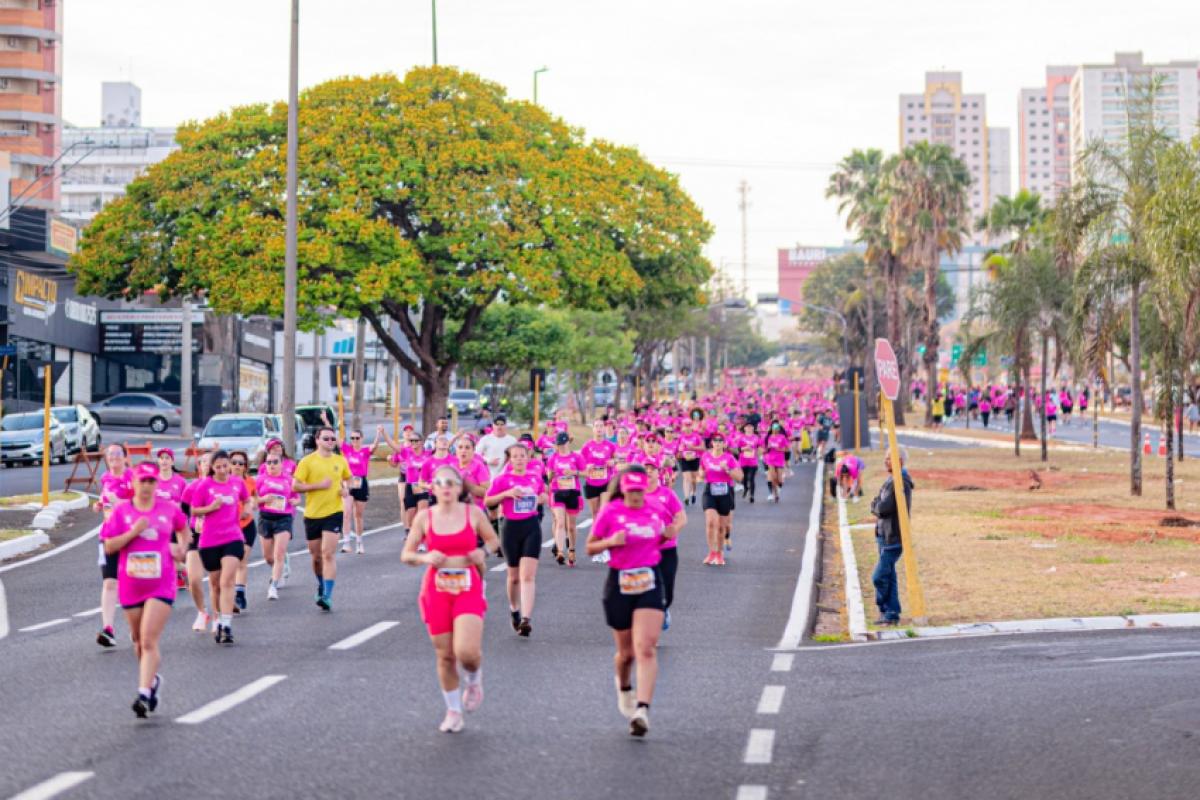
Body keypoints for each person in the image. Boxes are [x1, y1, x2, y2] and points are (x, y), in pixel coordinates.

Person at [401, 465, 500, 733]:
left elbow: (493, 541)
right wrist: (424, 557)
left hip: (467, 586)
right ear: (432, 488)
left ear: (459, 487)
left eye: (451, 482)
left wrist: (483, 553)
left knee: (466, 652)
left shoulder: (473, 513)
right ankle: (453, 711)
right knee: (445, 655)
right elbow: (407, 554)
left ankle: (474, 677)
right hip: (436, 590)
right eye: (440, 482)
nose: (446, 486)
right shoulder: (425, 517)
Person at [585, 466, 670, 737]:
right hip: (620, 582)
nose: (635, 495)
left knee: (645, 648)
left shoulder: (655, 508)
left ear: (645, 488)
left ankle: (642, 710)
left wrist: (670, 533)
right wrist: (611, 541)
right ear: (622, 489)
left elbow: (669, 532)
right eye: (630, 490)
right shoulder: (611, 512)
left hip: (650, 581)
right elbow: (590, 546)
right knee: (626, 655)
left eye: (638, 490)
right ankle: (624, 688)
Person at [100, 462, 189, 717]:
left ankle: (143, 694)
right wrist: (133, 532)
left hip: (162, 582)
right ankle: (152, 681)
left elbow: (184, 528)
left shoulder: (168, 509)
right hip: (131, 584)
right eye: (143, 481)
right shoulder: (122, 512)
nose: (148, 486)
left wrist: (181, 548)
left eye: (152, 481)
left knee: (149, 639)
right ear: (134, 483)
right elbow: (109, 546)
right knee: (139, 641)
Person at [190, 450, 252, 644]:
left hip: (233, 537)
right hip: (209, 541)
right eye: (219, 467)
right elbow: (193, 509)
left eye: (226, 466)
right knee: (215, 584)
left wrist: (248, 509)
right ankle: (216, 617)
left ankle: (226, 625)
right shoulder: (204, 486)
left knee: (227, 581)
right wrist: (211, 508)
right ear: (212, 468)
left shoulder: (237, 482)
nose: (223, 470)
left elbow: (247, 499)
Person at [486, 444, 547, 637]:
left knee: (528, 576)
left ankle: (526, 620)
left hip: (531, 527)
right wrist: (506, 494)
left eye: (523, 456)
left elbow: (544, 494)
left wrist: (542, 498)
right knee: (513, 578)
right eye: (516, 456)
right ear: (510, 459)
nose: (520, 459)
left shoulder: (534, 477)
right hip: (510, 529)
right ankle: (514, 610)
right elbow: (488, 501)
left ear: (528, 458)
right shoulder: (502, 479)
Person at [293, 426, 352, 612]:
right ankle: (320, 583)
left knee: (328, 554)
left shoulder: (340, 460)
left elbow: (349, 478)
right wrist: (318, 485)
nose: (330, 442)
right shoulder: (307, 462)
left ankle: (327, 595)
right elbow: (296, 486)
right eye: (326, 439)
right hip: (312, 514)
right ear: (317, 440)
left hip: (334, 512)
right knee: (316, 557)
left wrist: (346, 489)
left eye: (332, 439)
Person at [94, 443, 133, 648]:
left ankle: (139, 626)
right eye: (110, 454)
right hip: (108, 536)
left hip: (131, 537)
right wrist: (100, 504)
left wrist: (119, 502)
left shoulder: (133, 478)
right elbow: (106, 500)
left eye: (118, 454)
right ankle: (108, 629)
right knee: (109, 583)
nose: (114, 457)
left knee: (132, 583)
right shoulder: (105, 477)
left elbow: (142, 506)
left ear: (125, 457)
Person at [870, 447, 913, 627]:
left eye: (889, 459)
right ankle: (892, 613)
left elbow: (883, 507)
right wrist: (876, 505)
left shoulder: (901, 481)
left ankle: (885, 608)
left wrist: (876, 507)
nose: (885, 461)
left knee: (878, 576)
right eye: (885, 458)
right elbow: (875, 502)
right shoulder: (891, 479)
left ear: (899, 460)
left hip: (893, 537)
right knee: (889, 575)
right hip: (883, 534)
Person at [643, 462, 685, 631]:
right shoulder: (636, 495)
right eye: (645, 471)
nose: (648, 473)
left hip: (667, 549)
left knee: (667, 590)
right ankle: (650, 627)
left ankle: (665, 608)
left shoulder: (667, 494)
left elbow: (682, 518)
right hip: (645, 551)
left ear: (658, 473)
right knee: (648, 590)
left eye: (651, 470)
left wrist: (673, 529)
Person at [256, 451, 299, 600]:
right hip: (265, 518)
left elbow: (296, 497)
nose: (272, 465)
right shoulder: (260, 479)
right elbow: (252, 499)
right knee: (268, 557)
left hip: (283, 518)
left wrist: (296, 502)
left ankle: (273, 586)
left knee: (279, 554)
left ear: (282, 464)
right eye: (269, 462)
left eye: (275, 462)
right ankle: (278, 571)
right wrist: (263, 499)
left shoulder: (288, 479)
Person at [180, 452, 215, 631]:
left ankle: (219, 615)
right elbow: (182, 513)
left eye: (211, 462)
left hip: (218, 535)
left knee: (216, 581)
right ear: (199, 466)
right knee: (194, 579)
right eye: (204, 462)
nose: (207, 465)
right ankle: (202, 612)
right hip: (196, 534)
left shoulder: (221, 487)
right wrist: (185, 532)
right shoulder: (191, 488)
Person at [699, 434, 742, 564]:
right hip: (710, 491)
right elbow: (701, 471)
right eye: (715, 441)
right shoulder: (705, 456)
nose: (717, 443)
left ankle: (719, 553)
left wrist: (727, 469)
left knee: (722, 526)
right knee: (711, 522)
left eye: (720, 441)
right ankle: (711, 552)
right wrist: (701, 474)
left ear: (724, 444)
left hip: (725, 492)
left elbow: (740, 477)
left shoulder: (729, 458)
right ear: (712, 443)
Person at [341, 426, 383, 554]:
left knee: (358, 515)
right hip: (348, 482)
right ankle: (346, 543)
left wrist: (378, 433)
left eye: (357, 438)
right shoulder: (347, 449)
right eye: (352, 438)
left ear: (361, 439)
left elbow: (374, 446)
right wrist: (327, 421)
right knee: (346, 513)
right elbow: (337, 439)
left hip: (361, 483)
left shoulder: (365, 451)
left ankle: (359, 542)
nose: (354, 440)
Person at [546, 432, 584, 566]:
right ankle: (560, 551)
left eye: (563, 444)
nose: (561, 447)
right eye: (559, 445)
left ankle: (572, 549)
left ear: (568, 442)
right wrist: (551, 475)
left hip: (573, 492)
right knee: (560, 522)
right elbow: (548, 477)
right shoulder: (553, 458)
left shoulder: (576, 457)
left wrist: (575, 472)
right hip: (558, 491)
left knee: (571, 526)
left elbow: (585, 473)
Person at [228, 451, 258, 613]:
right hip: (229, 528)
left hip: (247, 526)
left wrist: (253, 503)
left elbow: (255, 499)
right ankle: (229, 594)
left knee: (242, 561)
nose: (237, 466)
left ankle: (239, 593)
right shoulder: (224, 482)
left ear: (245, 466)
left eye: (241, 463)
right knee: (229, 564)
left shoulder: (250, 482)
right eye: (234, 462)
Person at [762, 422, 789, 504]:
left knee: (780, 479)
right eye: (774, 428)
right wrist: (768, 448)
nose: (775, 430)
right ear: (772, 429)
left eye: (777, 428)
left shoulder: (782, 437)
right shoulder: (768, 437)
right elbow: (764, 451)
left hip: (780, 459)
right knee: (773, 477)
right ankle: (776, 494)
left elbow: (787, 449)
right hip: (770, 459)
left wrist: (779, 449)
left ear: (779, 429)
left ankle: (777, 488)